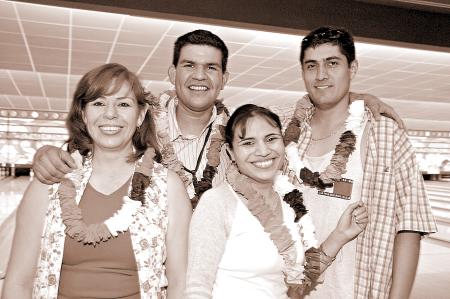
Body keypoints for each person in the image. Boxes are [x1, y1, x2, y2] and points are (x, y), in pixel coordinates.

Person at [30, 30, 402, 207]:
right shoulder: (136, 126)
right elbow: (90, 140)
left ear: (224, 80)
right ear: (172, 74)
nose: (199, 76)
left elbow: (309, 117)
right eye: (189, 65)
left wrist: (355, 97)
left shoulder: (244, 136)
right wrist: (47, 152)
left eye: (211, 68)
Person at [2, 63, 191, 299]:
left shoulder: (168, 187)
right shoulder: (49, 182)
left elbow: (180, 283)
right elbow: (18, 282)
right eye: (98, 103)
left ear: (140, 115)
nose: (110, 114)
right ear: (83, 113)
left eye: (123, 104)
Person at [283, 26, 437, 299]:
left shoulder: (385, 134)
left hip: (360, 289)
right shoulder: (285, 133)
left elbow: (410, 225)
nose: (321, 75)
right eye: (311, 65)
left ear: (352, 68)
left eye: (333, 63)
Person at [184, 104, 369, 299]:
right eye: (248, 143)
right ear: (230, 152)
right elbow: (197, 288)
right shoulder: (217, 203)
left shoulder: (290, 202)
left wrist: (340, 236)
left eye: (271, 139)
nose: (263, 151)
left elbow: (297, 284)